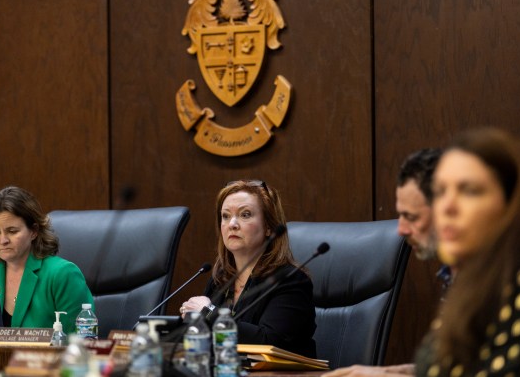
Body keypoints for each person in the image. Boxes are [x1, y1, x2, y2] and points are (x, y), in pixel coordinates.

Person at [415, 127, 520, 376]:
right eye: (440, 191)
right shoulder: (473, 284)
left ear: (513, 204)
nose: (447, 207)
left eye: (470, 190)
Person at [323, 148, 443, 377]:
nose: (401, 230)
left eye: (413, 217)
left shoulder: (505, 277)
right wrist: (391, 372)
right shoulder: (457, 274)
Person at [180, 179, 317, 358]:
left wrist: (209, 314)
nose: (232, 224)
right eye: (226, 216)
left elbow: (269, 343)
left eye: (245, 215)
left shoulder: (290, 280)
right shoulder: (220, 280)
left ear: (269, 227)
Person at [0, 186, 94, 334]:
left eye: (12, 231)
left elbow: (82, 338)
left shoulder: (62, 274)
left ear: (34, 231)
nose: (3, 240)